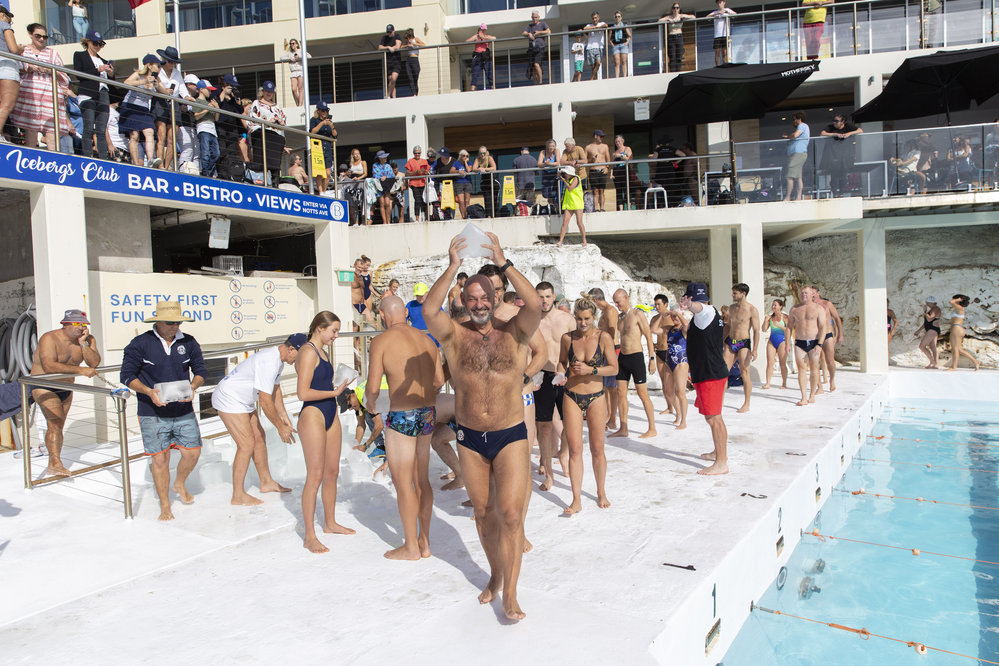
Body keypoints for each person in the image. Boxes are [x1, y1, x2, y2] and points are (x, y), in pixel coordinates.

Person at [423, 232, 540, 621]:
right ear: (463, 301)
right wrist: (453, 266)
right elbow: (428, 310)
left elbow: (536, 303)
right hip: (470, 438)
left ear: (495, 299)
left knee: (510, 515)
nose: (477, 304)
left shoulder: (516, 333)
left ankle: (512, 594)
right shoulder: (455, 338)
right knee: (482, 514)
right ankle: (494, 573)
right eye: (470, 298)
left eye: (484, 297)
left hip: (510, 434)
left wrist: (504, 263)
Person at [365, 294, 444, 560]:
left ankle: (410, 547)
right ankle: (425, 542)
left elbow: (373, 387)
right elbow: (439, 380)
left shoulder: (381, 342)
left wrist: (371, 403)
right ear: (406, 315)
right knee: (422, 479)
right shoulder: (426, 339)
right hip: (428, 413)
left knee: (403, 483)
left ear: (384, 316)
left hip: (402, 416)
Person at [119, 301, 206, 520]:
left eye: (178, 322)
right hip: (151, 412)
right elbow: (127, 376)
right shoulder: (140, 343)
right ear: (157, 322)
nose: (175, 326)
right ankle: (165, 505)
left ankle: (179, 482)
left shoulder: (189, 341)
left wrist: (193, 387)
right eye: (170, 322)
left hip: (183, 409)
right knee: (160, 460)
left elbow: (201, 370)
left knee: (193, 452)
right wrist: (149, 392)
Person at [211, 334, 303, 505]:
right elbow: (265, 400)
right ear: (291, 349)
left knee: (259, 438)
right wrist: (280, 427)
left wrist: (283, 416)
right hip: (229, 398)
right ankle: (237, 495)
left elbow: (275, 391)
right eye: (300, 356)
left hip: (243, 400)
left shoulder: (278, 361)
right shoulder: (269, 361)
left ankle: (266, 482)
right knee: (246, 444)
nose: (300, 361)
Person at [295, 311, 354, 553]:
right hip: (313, 414)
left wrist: (337, 387)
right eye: (334, 331)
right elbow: (303, 393)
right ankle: (310, 535)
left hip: (330, 411)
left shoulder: (322, 351)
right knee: (315, 476)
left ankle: (329, 522)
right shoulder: (308, 351)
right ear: (320, 328)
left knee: (332, 471)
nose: (336, 336)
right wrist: (333, 393)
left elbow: (320, 384)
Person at [555, 293, 617, 514]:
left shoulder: (604, 338)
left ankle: (601, 492)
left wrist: (592, 370)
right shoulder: (567, 338)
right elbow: (562, 361)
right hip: (571, 395)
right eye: (579, 319)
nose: (582, 323)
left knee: (597, 449)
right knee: (574, 450)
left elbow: (614, 368)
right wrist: (560, 373)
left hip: (596, 397)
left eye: (587, 319)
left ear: (594, 317)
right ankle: (576, 499)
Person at [28, 309, 100, 477]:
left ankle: (54, 462)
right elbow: (49, 366)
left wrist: (84, 344)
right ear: (65, 324)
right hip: (43, 385)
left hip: (66, 388)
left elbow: (94, 363)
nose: (80, 328)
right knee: (55, 422)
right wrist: (80, 370)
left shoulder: (88, 339)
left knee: (58, 425)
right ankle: (55, 464)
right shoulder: (50, 338)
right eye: (76, 324)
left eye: (84, 324)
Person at [679, 283, 729, 475]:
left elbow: (700, 308)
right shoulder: (703, 318)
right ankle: (718, 451)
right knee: (713, 417)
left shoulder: (705, 311)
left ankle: (721, 463)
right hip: (707, 372)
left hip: (710, 374)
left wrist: (689, 306)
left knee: (714, 417)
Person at [533, 281, 575, 491]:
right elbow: (525, 350)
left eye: (548, 296)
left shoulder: (566, 319)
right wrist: (531, 376)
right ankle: (549, 473)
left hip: (565, 374)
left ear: (554, 297)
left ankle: (564, 453)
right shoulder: (532, 321)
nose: (544, 300)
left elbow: (579, 347)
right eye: (540, 296)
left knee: (570, 423)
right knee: (544, 426)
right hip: (541, 375)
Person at [10, 24, 70, 152]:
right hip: (29, 94)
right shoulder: (23, 50)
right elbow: (15, 68)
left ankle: (54, 160)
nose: (42, 39)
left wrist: (49, 70)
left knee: (51, 130)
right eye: (38, 36)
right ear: (30, 34)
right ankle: (30, 159)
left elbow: (64, 76)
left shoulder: (52, 53)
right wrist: (29, 68)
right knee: (30, 128)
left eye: (45, 36)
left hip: (50, 95)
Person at [610, 289, 657, 439]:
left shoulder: (637, 314)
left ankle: (652, 428)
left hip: (636, 357)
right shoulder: (619, 318)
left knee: (643, 394)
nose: (617, 305)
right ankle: (624, 428)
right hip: (622, 358)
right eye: (615, 302)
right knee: (621, 394)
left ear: (625, 298)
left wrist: (651, 359)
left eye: (618, 302)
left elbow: (649, 337)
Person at [119, 55, 168, 168]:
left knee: (149, 131)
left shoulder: (157, 78)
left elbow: (165, 92)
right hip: (131, 106)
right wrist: (144, 81)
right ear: (150, 66)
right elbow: (126, 82)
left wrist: (157, 86)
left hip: (144, 109)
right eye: (158, 66)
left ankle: (151, 160)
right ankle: (135, 163)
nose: (160, 68)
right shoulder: (139, 74)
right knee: (134, 135)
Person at [72, 30, 113, 159]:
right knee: (88, 127)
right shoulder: (80, 55)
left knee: (101, 129)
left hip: (103, 93)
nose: (98, 46)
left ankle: (103, 157)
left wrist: (111, 74)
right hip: (87, 94)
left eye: (101, 44)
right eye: (96, 43)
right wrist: (98, 70)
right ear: (88, 42)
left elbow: (112, 81)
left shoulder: (104, 60)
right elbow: (79, 74)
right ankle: (87, 156)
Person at [651, 295, 688, 429]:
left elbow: (686, 325)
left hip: (681, 361)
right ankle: (677, 413)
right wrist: (662, 316)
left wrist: (678, 313)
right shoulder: (669, 329)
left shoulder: (683, 330)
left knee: (680, 392)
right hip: (668, 360)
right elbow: (653, 330)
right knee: (668, 392)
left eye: (675, 317)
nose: (674, 319)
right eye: (672, 317)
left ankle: (683, 420)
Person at [723, 283, 760, 413]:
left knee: (745, 373)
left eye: (735, 293)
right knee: (723, 373)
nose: (733, 295)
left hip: (743, 343)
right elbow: (728, 326)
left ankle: (746, 403)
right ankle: (719, 401)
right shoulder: (731, 308)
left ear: (743, 294)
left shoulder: (752, 310)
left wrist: (755, 349)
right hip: (730, 342)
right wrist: (722, 341)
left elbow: (756, 330)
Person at [787, 286, 827, 406]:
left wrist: (820, 344)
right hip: (800, 342)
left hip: (814, 341)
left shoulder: (818, 308)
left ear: (812, 295)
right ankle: (804, 397)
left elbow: (823, 327)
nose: (803, 294)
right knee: (801, 370)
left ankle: (812, 395)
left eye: (806, 293)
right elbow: (789, 327)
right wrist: (787, 343)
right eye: (802, 293)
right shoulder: (794, 309)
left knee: (814, 369)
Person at [152, 46, 188, 171]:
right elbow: (155, 86)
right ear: (164, 59)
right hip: (161, 102)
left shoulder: (177, 73)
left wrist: (187, 97)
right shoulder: (157, 70)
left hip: (174, 103)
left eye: (174, 62)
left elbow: (182, 89)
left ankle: (167, 167)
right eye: (170, 61)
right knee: (161, 135)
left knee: (172, 138)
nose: (173, 64)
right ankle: (160, 164)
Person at [246, 80, 287, 186]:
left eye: (271, 91)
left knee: (275, 164)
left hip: (275, 137)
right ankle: (262, 183)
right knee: (262, 162)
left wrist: (280, 122)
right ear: (262, 91)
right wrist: (268, 123)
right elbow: (252, 119)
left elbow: (283, 122)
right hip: (262, 135)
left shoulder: (277, 107)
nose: (269, 93)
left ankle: (275, 183)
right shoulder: (257, 103)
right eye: (267, 91)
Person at [820, 114, 863, 196]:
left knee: (843, 175)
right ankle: (835, 192)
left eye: (837, 121)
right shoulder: (831, 127)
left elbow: (860, 130)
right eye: (834, 120)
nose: (834, 122)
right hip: (833, 156)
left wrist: (849, 133)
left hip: (845, 156)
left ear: (843, 122)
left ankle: (842, 193)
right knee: (834, 176)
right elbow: (822, 133)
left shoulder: (848, 126)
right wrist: (834, 134)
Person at [339, 381, 385, 457]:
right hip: (387, 400)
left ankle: (392, 449)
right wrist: (355, 447)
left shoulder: (365, 397)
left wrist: (366, 445)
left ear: (352, 395)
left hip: (397, 397)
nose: (350, 409)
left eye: (349, 405)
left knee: (379, 418)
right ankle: (382, 447)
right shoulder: (358, 401)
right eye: (348, 408)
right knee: (367, 414)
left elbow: (379, 425)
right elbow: (361, 425)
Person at [0, 3, 24, 143]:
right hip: (6, 67)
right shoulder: (4, 25)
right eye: (9, 18)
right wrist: (21, 48)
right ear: (2, 15)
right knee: (7, 103)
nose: (10, 21)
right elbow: (13, 49)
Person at [812, 287, 842, 391]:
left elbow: (837, 318)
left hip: (828, 334)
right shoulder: (809, 306)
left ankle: (832, 380)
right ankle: (819, 387)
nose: (812, 295)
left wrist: (840, 335)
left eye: (813, 293)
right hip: (815, 336)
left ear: (818, 293)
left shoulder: (827, 304)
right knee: (814, 363)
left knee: (830, 362)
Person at [946, 294, 980, 371]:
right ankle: (975, 362)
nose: (953, 300)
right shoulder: (957, 309)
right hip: (956, 328)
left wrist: (958, 299)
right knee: (958, 349)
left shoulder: (960, 308)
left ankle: (954, 367)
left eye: (955, 299)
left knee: (955, 349)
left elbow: (951, 302)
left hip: (957, 328)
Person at [761, 298, 790, 390]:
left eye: (775, 305)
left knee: (782, 363)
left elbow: (789, 330)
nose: (773, 307)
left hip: (782, 341)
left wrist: (780, 326)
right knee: (770, 363)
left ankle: (784, 383)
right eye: (772, 305)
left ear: (780, 307)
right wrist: (765, 320)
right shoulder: (770, 317)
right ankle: (768, 383)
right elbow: (764, 329)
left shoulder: (785, 317)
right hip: (772, 341)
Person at [308, 101, 336, 193]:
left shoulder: (329, 122)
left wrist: (331, 127)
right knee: (319, 173)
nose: (325, 112)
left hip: (327, 148)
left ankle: (324, 191)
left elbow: (335, 135)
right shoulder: (314, 120)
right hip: (318, 148)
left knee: (328, 173)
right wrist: (322, 123)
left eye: (326, 110)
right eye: (323, 110)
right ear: (318, 111)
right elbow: (312, 132)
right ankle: (321, 192)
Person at [194, 79, 219, 177]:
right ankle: (206, 173)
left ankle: (208, 171)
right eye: (208, 90)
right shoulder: (197, 101)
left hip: (213, 130)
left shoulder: (210, 102)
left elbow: (216, 119)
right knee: (205, 153)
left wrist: (216, 109)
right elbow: (196, 116)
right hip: (203, 128)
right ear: (201, 89)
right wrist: (207, 108)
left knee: (216, 153)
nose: (210, 92)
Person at [660, 4, 696, 72]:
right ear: (672, 9)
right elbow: (659, 21)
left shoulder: (681, 16)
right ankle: (672, 72)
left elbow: (693, 17)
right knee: (672, 56)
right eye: (674, 8)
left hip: (679, 36)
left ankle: (678, 71)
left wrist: (684, 17)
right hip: (671, 36)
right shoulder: (669, 17)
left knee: (679, 55)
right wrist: (668, 20)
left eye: (677, 8)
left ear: (679, 9)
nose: (675, 9)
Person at [783, 111, 809, 201]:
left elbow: (795, 135)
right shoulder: (803, 126)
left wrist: (787, 137)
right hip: (798, 154)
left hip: (798, 154)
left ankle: (788, 197)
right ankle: (798, 197)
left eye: (794, 119)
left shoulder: (802, 125)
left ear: (799, 119)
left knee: (789, 176)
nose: (793, 121)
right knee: (798, 177)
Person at [557, 166, 586, 246]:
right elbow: (558, 177)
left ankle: (584, 240)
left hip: (577, 203)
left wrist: (564, 181)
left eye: (566, 173)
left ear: (570, 173)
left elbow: (570, 188)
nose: (565, 175)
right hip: (569, 204)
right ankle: (560, 241)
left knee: (579, 222)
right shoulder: (567, 178)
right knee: (565, 223)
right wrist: (560, 174)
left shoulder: (576, 178)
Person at [584, 130, 611, 212]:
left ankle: (602, 208)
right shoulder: (588, 147)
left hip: (602, 170)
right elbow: (585, 161)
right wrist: (591, 159)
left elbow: (608, 159)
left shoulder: (605, 146)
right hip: (593, 170)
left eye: (603, 137)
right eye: (600, 136)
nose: (602, 138)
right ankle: (595, 208)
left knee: (602, 190)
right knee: (595, 190)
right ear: (595, 136)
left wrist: (607, 168)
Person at [466, 23, 496, 91]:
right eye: (482, 30)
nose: (483, 31)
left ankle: (493, 88)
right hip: (478, 56)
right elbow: (467, 41)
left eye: (484, 30)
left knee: (489, 73)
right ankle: (473, 89)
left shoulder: (487, 36)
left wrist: (484, 37)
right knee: (475, 73)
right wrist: (477, 36)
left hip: (486, 56)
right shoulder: (476, 37)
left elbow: (494, 38)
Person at [523, 11, 550, 85]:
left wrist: (539, 32)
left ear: (538, 17)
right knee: (533, 68)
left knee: (536, 64)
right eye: (533, 17)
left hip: (540, 47)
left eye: (536, 17)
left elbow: (548, 31)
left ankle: (540, 82)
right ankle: (536, 83)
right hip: (532, 48)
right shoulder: (530, 26)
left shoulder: (543, 24)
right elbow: (523, 33)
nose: (534, 19)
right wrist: (529, 34)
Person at [708, 0, 737, 66]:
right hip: (717, 35)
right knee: (717, 53)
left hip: (725, 34)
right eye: (718, 2)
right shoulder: (715, 12)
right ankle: (717, 66)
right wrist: (717, 13)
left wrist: (727, 12)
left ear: (724, 2)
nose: (719, 4)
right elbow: (707, 17)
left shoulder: (727, 10)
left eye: (720, 2)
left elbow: (735, 15)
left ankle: (725, 65)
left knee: (725, 52)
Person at [405, 145, 430, 221]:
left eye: (418, 153)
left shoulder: (424, 161)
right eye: (416, 153)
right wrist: (416, 172)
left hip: (422, 182)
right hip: (414, 183)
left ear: (421, 153)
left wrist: (425, 172)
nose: (417, 154)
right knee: (417, 199)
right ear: (413, 153)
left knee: (423, 199)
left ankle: (424, 215)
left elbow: (428, 172)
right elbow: (407, 173)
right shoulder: (410, 161)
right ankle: (417, 218)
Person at [916, 295, 941, 369]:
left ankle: (932, 362)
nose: (927, 304)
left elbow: (930, 319)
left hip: (933, 329)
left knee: (922, 346)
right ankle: (935, 364)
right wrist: (918, 331)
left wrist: (924, 312)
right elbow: (926, 323)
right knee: (933, 347)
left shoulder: (935, 309)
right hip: (931, 329)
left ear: (931, 303)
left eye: (927, 303)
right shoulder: (932, 309)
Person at [281, 38, 308, 106]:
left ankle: (300, 104)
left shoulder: (301, 51)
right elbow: (281, 58)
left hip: (300, 71)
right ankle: (297, 103)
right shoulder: (289, 53)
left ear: (296, 44)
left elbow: (309, 56)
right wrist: (289, 59)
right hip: (293, 72)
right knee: (293, 89)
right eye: (290, 44)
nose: (292, 45)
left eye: (293, 43)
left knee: (300, 88)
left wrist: (299, 57)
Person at [371, 150, 396, 223]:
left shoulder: (388, 166)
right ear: (379, 158)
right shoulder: (375, 165)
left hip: (387, 186)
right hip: (379, 186)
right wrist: (381, 177)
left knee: (387, 203)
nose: (385, 158)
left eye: (385, 157)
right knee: (382, 203)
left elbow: (392, 176)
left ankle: (388, 221)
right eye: (384, 157)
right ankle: (384, 221)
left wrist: (386, 177)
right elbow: (375, 175)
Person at [379, 24, 403, 98]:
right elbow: (380, 47)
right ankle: (394, 96)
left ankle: (388, 95)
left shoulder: (397, 36)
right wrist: (388, 47)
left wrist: (393, 48)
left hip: (396, 61)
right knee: (391, 80)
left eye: (390, 32)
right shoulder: (384, 38)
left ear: (393, 31)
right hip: (388, 62)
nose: (389, 34)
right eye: (388, 32)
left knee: (393, 78)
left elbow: (398, 46)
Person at [610, 134, 633, 211]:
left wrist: (620, 155)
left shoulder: (626, 149)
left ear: (622, 141)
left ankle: (629, 207)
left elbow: (630, 159)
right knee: (619, 191)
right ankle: (621, 209)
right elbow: (612, 164)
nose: (617, 143)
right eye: (616, 142)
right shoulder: (615, 152)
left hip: (625, 171)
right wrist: (611, 174)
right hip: (617, 172)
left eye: (619, 141)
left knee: (626, 190)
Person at [583, 12, 607, 80]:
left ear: (598, 18)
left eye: (596, 18)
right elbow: (585, 28)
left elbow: (606, 25)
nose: (594, 19)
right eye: (593, 18)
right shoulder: (589, 25)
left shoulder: (601, 23)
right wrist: (594, 27)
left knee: (598, 63)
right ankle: (595, 79)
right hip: (590, 47)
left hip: (599, 47)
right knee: (593, 66)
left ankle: (592, 78)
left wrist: (597, 27)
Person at [402, 28, 425, 96]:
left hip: (415, 59)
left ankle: (416, 93)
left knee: (415, 77)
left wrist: (414, 43)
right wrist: (407, 45)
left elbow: (424, 44)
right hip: (409, 59)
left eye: (409, 37)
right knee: (410, 77)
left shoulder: (416, 39)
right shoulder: (407, 41)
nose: (408, 38)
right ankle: (413, 94)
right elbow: (401, 46)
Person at [451, 148, 473, 219]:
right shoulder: (456, 163)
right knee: (461, 201)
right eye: (464, 156)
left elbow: (469, 170)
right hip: (458, 183)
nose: (465, 157)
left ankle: (467, 216)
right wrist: (458, 171)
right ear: (460, 156)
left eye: (467, 156)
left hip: (467, 182)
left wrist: (466, 162)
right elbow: (451, 171)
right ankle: (463, 216)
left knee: (467, 201)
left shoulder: (469, 163)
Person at [538, 138, 561, 206]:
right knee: (547, 192)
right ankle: (551, 206)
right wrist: (544, 164)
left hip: (554, 173)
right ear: (547, 146)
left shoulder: (556, 151)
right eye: (550, 146)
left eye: (553, 146)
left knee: (555, 191)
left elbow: (557, 163)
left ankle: (556, 206)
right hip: (546, 173)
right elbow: (539, 164)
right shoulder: (543, 152)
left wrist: (548, 163)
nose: (552, 147)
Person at [609, 11, 632, 78]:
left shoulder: (624, 26)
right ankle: (617, 77)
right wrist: (612, 45)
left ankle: (624, 76)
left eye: (619, 16)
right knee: (617, 63)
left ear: (621, 17)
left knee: (624, 61)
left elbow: (629, 36)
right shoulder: (612, 27)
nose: (617, 18)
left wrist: (626, 43)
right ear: (614, 18)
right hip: (616, 46)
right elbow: (609, 38)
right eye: (616, 17)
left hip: (623, 45)